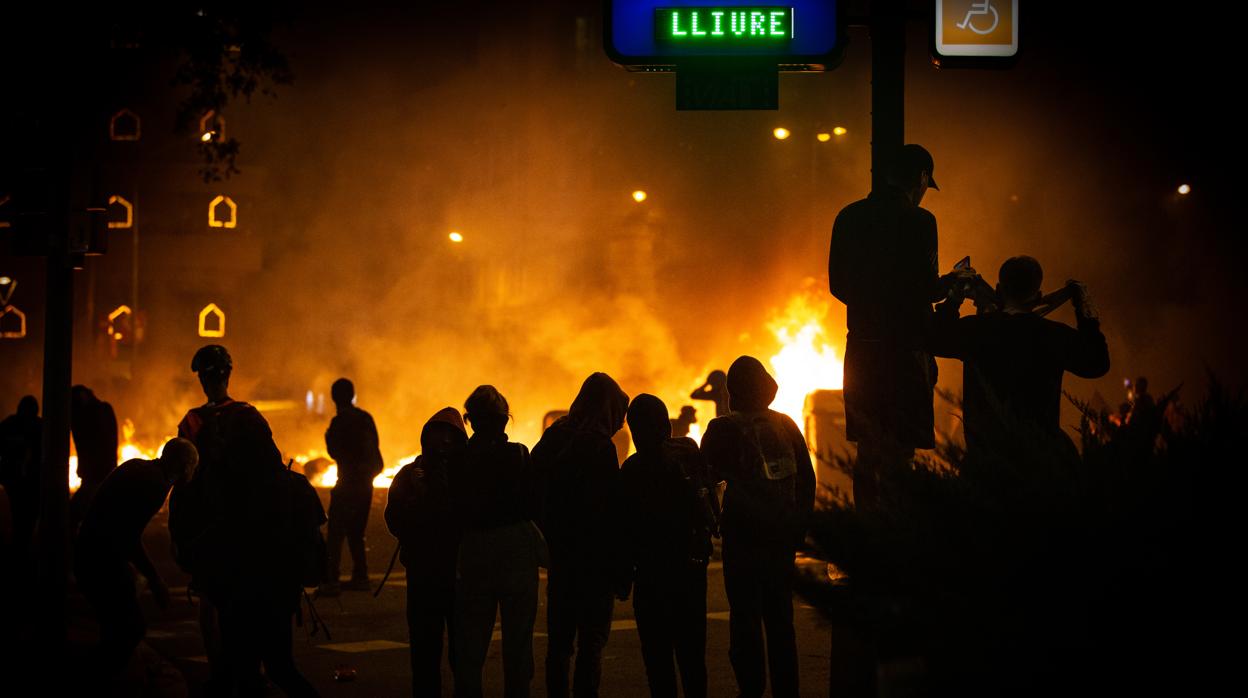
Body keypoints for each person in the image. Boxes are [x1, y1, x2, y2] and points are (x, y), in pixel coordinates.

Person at [169, 344, 318, 697]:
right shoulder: (250, 417)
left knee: (216, 611)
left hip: (218, 540)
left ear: (203, 379)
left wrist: (184, 537)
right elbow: (274, 470)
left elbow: (185, 483)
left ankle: (224, 674)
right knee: (277, 662)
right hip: (256, 542)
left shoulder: (193, 422)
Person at [829, 144, 969, 509]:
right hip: (905, 353)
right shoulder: (921, 222)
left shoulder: (848, 216)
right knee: (900, 451)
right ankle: (896, 530)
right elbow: (927, 287)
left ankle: (866, 529)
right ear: (922, 178)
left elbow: (838, 285)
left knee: (867, 448)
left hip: (861, 349)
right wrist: (954, 283)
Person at [700, 356, 815, 698]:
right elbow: (806, 480)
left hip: (743, 540)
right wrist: (798, 527)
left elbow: (704, 481)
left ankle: (750, 689)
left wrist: (713, 521)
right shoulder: (786, 425)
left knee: (745, 621)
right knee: (781, 623)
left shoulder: (721, 429)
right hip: (780, 538)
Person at [931, 256, 1110, 461]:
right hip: (1040, 462)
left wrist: (954, 298)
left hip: (986, 462)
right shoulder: (1054, 335)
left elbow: (933, 338)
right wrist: (1084, 308)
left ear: (998, 290)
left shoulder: (977, 330)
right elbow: (1097, 363)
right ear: (1038, 295)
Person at [531, 373, 629, 698]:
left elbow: (532, 487)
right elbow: (612, 514)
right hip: (594, 565)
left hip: (561, 558)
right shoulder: (600, 448)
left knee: (559, 644)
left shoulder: (554, 437)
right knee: (591, 642)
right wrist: (621, 570)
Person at [619, 394, 718, 698]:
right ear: (666, 425)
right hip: (690, 573)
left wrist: (623, 577)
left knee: (658, 663)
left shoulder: (633, 470)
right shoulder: (689, 452)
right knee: (692, 660)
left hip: (651, 579)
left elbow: (624, 529)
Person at [74, 438, 198, 675]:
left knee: (116, 629)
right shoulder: (156, 485)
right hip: (99, 561)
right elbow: (128, 536)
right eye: (192, 468)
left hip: (91, 553)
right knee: (131, 628)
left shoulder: (139, 467)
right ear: (183, 468)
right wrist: (155, 579)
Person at [451, 386, 542, 698]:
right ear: (505, 421)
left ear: (471, 421)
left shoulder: (458, 460)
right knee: (518, 645)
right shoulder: (518, 455)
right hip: (516, 552)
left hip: (475, 553)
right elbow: (534, 505)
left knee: (471, 647)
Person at [384, 407, 467, 698]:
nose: (443, 444)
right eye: (438, 437)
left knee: (461, 652)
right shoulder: (410, 475)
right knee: (425, 651)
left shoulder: (465, 477)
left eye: (450, 438)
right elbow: (394, 520)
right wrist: (418, 499)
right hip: (425, 576)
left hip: (458, 576)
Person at [320, 377, 384, 596]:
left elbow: (334, 452)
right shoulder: (365, 418)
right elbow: (375, 452)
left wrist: (329, 438)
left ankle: (331, 580)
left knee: (336, 532)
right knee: (357, 531)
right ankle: (361, 576)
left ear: (334, 398)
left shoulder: (339, 423)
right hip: (365, 484)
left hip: (347, 482)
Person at [0, 395, 41, 566]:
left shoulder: (11, 425)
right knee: (23, 520)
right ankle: (21, 557)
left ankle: (19, 556)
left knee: (23, 520)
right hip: (20, 483)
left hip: (26, 483)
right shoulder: (38, 426)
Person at [70, 385, 119, 525]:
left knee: (76, 515)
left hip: (96, 474)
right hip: (102, 472)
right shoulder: (103, 409)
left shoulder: (92, 413)